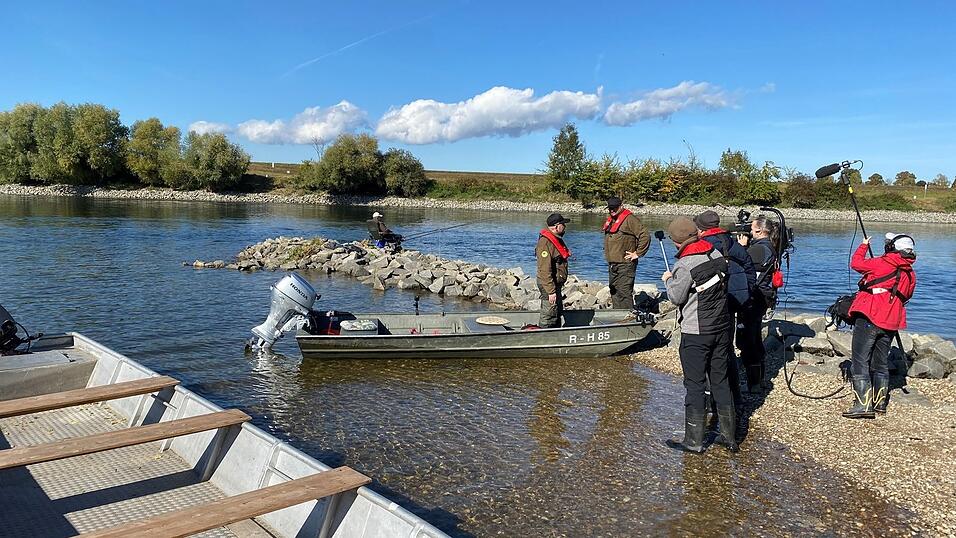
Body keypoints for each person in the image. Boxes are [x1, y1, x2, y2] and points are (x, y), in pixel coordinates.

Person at [661, 216, 736, 453]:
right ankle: (729, 437)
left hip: (696, 331)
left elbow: (676, 297)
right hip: (721, 327)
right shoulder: (716, 253)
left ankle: (693, 442)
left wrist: (668, 280)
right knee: (720, 381)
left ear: (676, 241)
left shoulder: (685, 265)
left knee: (694, 385)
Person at [842, 233, 917, 419]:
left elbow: (856, 263)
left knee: (860, 360)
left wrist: (863, 245)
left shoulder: (881, 263)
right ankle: (879, 404)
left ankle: (863, 405)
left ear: (891, 248)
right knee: (880, 362)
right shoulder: (910, 273)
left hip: (870, 316)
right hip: (891, 321)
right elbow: (906, 296)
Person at [695, 210, 755, 406]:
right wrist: (746, 292)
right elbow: (749, 266)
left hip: (712, 304)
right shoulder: (730, 241)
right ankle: (735, 395)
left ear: (701, 228)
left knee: (710, 351)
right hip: (732, 300)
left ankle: (712, 399)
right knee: (727, 347)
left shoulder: (704, 245)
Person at [738, 215, 779, 392]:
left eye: (752, 229)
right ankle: (758, 380)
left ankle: (754, 383)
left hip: (754, 298)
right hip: (762, 297)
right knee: (754, 337)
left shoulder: (758, 249)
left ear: (760, 231)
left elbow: (739, 264)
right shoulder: (769, 247)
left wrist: (741, 248)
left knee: (747, 340)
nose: (749, 231)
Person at [602, 196, 650, 310]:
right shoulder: (612, 220)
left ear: (621, 206)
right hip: (613, 263)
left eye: (614, 208)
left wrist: (637, 253)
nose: (612, 210)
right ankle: (617, 314)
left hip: (625, 264)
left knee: (624, 292)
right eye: (610, 208)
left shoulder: (630, 219)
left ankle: (628, 315)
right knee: (614, 290)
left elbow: (645, 235)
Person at [536, 213, 572, 328]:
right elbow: (544, 269)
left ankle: (556, 332)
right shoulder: (545, 243)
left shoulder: (556, 239)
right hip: (548, 284)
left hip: (555, 284)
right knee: (549, 314)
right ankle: (543, 335)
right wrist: (551, 291)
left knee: (556, 312)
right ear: (556, 227)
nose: (565, 227)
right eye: (563, 224)